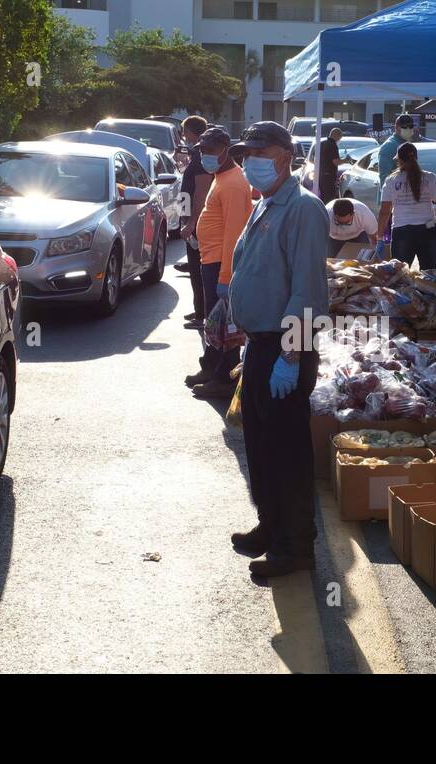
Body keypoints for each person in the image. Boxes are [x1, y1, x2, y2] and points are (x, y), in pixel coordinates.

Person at [227, 121, 329, 580]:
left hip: (284, 350)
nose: (249, 160)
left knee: (287, 454)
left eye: (258, 152)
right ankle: (272, 526)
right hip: (261, 345)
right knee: (261, 447)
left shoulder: (303, 208)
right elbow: (251, 265)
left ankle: (295, 548)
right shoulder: (266, 203)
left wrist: (290, 358)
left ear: (285, 157)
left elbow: (307, 292)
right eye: (245, 153)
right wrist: (225, 311)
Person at [185, 127, 252, 399]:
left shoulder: (234, 182)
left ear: (225, 149)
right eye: (202, 150)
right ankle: (211, 367)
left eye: (210, 150)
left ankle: (224, 377)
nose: (204, 155)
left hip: (220, 264)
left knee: (225, 327)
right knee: (214, 325)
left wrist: (226, 277)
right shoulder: (221, 176)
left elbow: (234, 235)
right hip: (210, 259)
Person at [377, 142, 436, 270]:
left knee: (401, 276)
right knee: (429, 274)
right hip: (428, 230)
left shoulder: (391, 180)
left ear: (399, 160)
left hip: (402, 232)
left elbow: (384, 211)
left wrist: (379, 237)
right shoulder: (429, 178)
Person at [176, 115, 211, 329]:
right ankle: (200, 309)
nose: (184, 136)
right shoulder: (196, 153)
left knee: (198, 269)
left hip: (194, 221)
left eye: (185, 132)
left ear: (191, 131)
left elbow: (201, 191)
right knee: (195, 268)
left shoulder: (201, 155)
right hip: (189, 217)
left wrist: (191, 223)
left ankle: (203, 314)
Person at [378, 113, 416, 185]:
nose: (409, 129)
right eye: (405, 127)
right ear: (396, 128)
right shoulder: (389, 146)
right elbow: (384, 177)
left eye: (411, 126)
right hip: (394, 193)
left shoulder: (408, 144)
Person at [317, 126, 342, 203]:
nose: (339, 140)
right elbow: (335, 161)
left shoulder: (322, 144)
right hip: (329, 177)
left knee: (323, 198)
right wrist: (346, 160)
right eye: (340, 137)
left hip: (321, 176)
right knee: (329, 199)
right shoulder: (332, 145)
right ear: (337, 135)